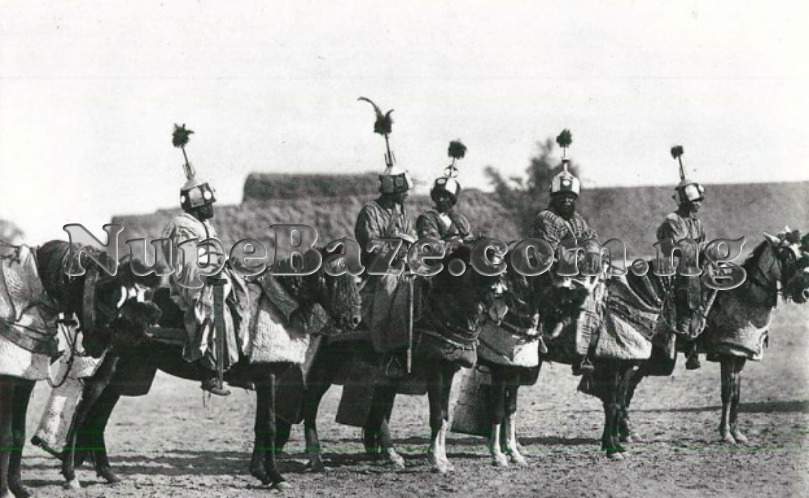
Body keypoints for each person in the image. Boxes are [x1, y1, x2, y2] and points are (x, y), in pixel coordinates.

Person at [161, 124, 249, 396]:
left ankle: (242, 362)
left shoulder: (204, 225)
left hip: (212, 277)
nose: (212, 207)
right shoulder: (183, 225)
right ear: (199, 203)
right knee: (215, 308)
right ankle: (212, 370)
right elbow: (187, 264)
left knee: (244, 298)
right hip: (193, 284)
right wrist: (209, 274)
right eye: (208, 203)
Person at [533, 138, 599, 375]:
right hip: (552, 271)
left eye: (571, 197)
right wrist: (577, 254)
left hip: (579, 271)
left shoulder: (578, 220)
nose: (567, 201)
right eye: (562, 197)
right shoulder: (545, 218)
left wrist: (591, 250)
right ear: (554, 198)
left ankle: (589, 348)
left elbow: (591, 236)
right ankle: (546, 335)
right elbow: (549, 247)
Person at [656, 146, 707, 370]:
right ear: (684, 202)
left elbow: (702, 244)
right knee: (690, 286)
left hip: (695, 267)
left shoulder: (697, 222)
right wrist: (699, 250)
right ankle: (690, 346)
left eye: (699, 201)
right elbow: (680, 248)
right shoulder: (673, 220)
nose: (698, 204)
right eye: (694, 201)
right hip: (675, 269)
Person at [416, 140, 474, 247]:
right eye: (438, 196)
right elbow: (430, 244)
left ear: (452, 199)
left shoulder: (460, 219)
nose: (441, 199)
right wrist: (455, 244)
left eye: (445, 197)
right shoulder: (428, 218)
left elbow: (469, 239)